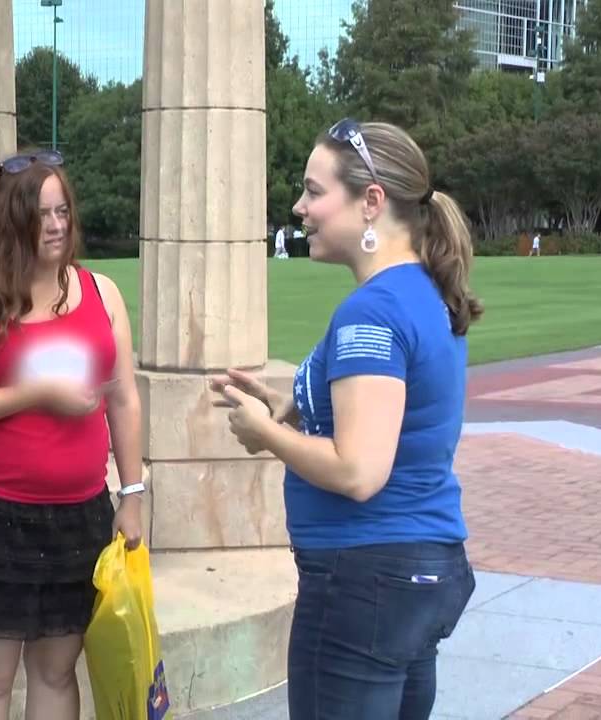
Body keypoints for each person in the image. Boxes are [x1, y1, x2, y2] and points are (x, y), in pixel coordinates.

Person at [211, 119, 481, 719]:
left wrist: (267, 434)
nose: (299, 206)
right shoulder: (425, 294)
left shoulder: (372, 311)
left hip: (364, 579)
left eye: (314, 190)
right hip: (415, 572)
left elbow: (360, 470)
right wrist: (296, 405)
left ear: (371, 203)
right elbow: (403, 418)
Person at [0, 149, 145, 720]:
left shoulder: (101, 293)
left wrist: (134, 494)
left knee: (56, 674)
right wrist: (38, 392)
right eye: (40, 214)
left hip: (81, 517)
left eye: (62, 211)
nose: (55, 225)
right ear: (10, 221)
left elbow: (122, 397)